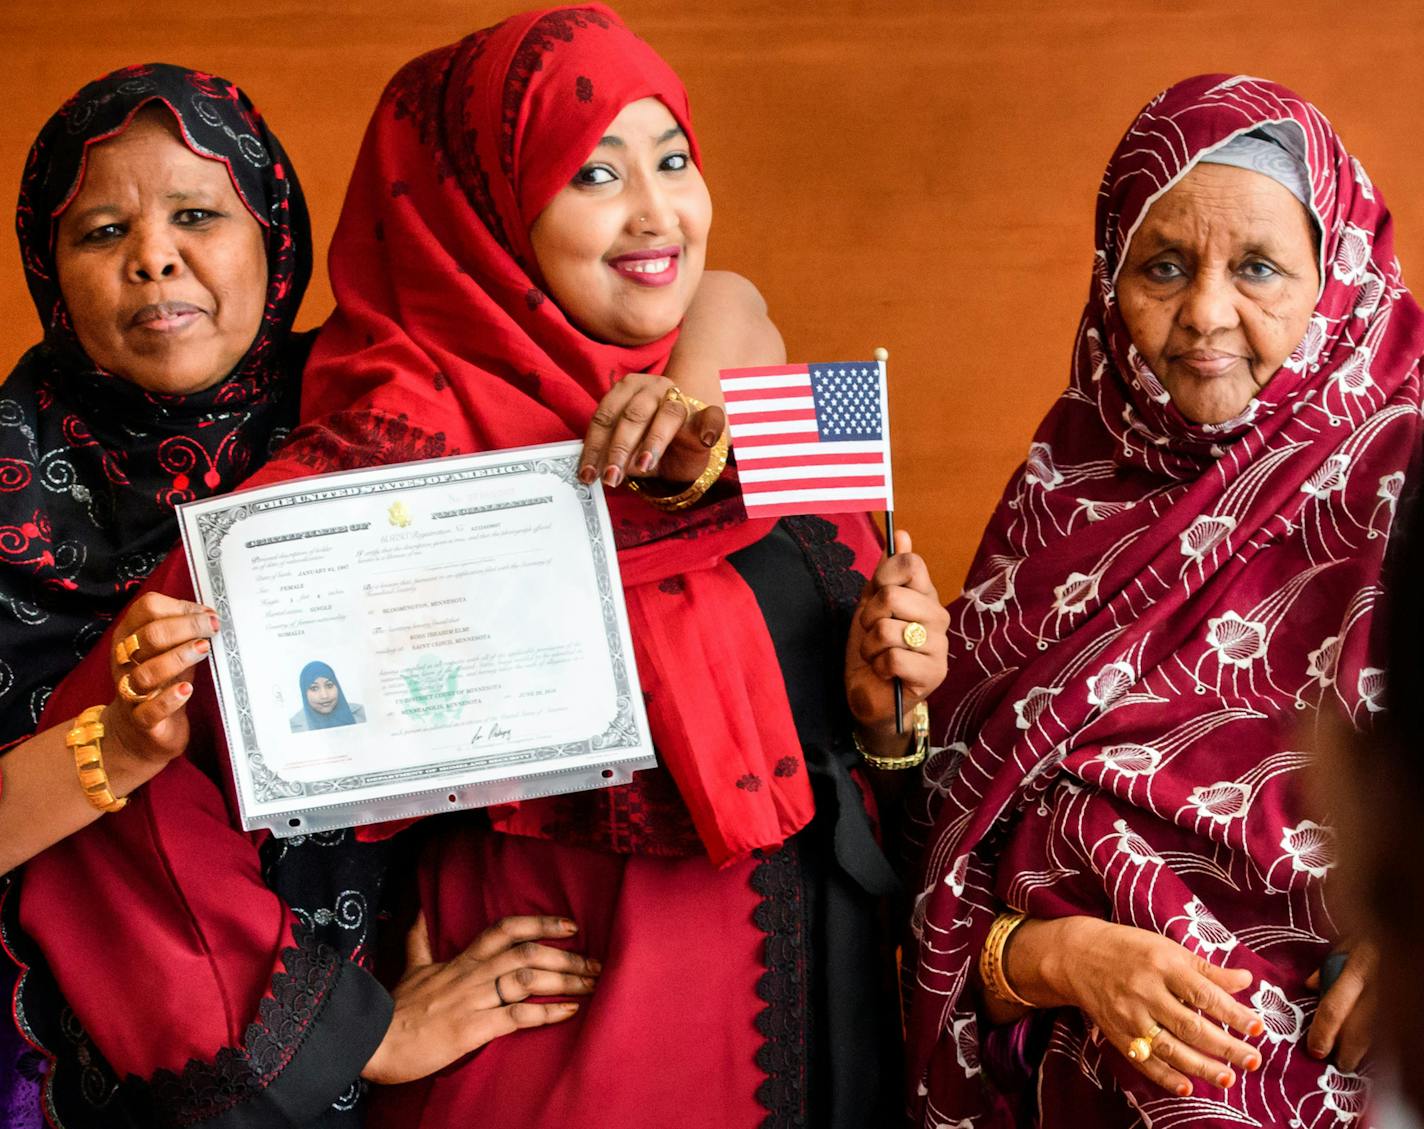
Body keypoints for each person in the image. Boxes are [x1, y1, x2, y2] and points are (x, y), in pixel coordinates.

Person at [11, 9, 939, 1126]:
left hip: (831, 1042)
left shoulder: (743, 417)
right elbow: (120, 796)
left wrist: (890, 716)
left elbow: (866, 750)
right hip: (574, 1068)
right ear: (484, 208)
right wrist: (353, 1029)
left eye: (673, 158)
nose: (655, 211)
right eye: (591, 172)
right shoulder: (393, 470)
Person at [905, 74, 1423, 1127]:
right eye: (1163, 267)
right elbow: (939, 871)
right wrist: (1059, 955)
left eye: (1258, 269)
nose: (1204, 314)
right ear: (1107, 283)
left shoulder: (1411, 478)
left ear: (1337, 280)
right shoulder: (1057, 504)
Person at [0, 63, 314, 1128]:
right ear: (50, 273)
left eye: (196, 214)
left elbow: (716, 307)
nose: (153, 258)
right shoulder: (8, 479)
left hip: (417, 1017)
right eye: (99, 234)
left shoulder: (370, 418)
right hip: (85, 1067)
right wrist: (114, 747)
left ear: (273, 233)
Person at [290, 661, 366, 732]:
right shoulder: (296, 727)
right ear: (304, 693)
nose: (325, 695)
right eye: (314, 688)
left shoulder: (361, 715)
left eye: (329, 685)